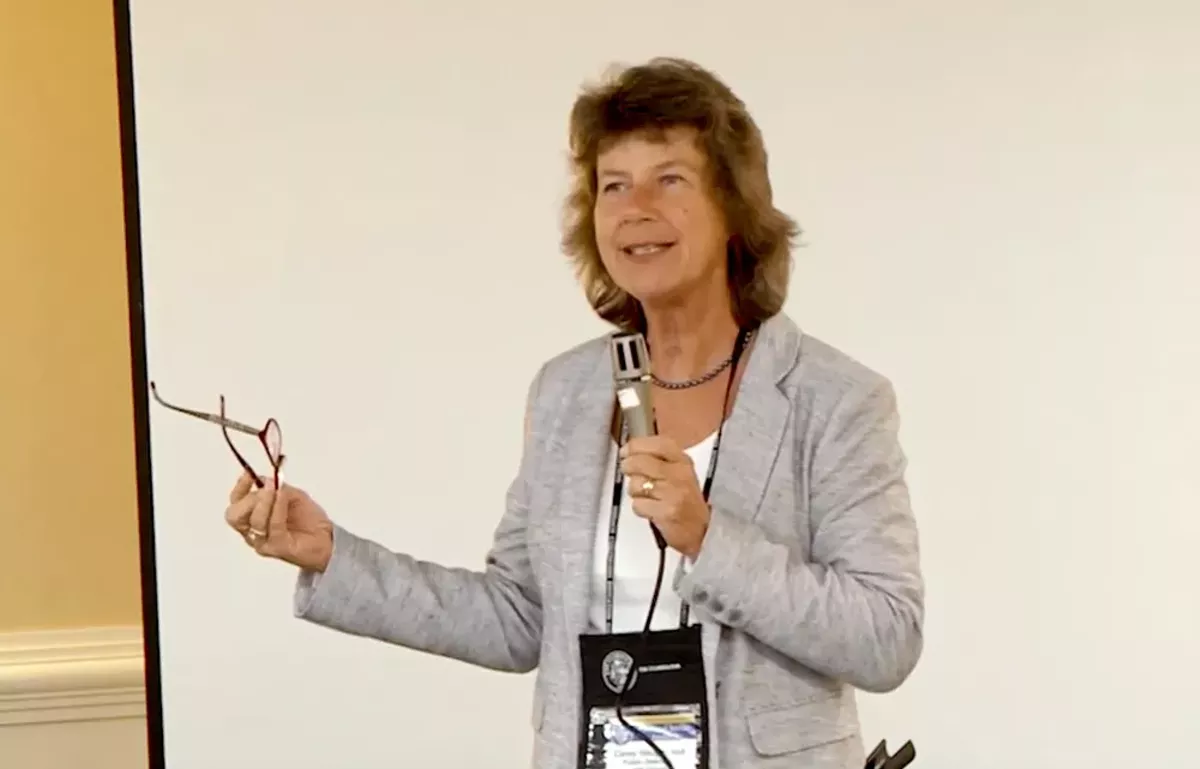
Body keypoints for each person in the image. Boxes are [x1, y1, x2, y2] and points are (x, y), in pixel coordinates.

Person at [223, 57, 924, 769]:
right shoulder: (565, 392)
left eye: (669, 179)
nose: (634, 208)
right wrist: (332, 554)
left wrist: (707, 537)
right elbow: (517, 616)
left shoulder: (835, 399)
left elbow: (887, 636)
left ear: (733, 209)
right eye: (613, 185)